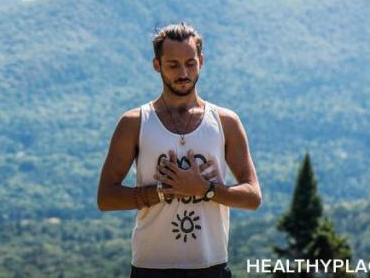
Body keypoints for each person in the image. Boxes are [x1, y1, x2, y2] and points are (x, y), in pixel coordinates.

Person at [97, 22, 262, 278]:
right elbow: (106, 198)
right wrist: (161, 193)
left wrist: (205, 190)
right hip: (150, 268)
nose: (183, 72)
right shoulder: (134, 123)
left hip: (211, 266)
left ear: (201, 61)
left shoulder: (226, 122)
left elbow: (253, 197)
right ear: (157, 65)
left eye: (190, 63)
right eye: (173, 65)